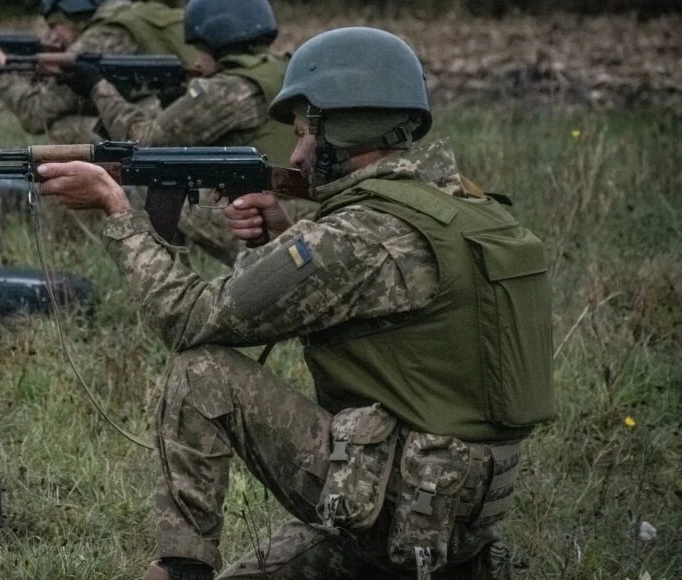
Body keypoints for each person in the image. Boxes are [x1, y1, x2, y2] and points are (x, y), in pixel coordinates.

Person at [35, 26, 554, 579]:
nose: (298, 152)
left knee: (203, 370)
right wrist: (281, 232)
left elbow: (188, 318)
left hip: (389, 510)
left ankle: (180, 569)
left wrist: (117, 211)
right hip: (450, 517)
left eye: (307, 133)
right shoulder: (467, 208)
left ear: (348, 128)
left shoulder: (361, 235)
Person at [60, 0, 316, 264]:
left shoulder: (227, 89)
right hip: (306, 210)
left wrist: (99, 88)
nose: (196, 60)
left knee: (165, 182)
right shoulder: (285, 70)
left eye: (201, 51)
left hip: (275, 217)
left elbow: (144, 142)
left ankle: (169, 288)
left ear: (215, 45)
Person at [0, 0, 200, 144]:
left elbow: (35, 114)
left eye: (53, 26)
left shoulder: (102, 36)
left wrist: (2, 69)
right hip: (186, 117)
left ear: (70, 13)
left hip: (164, 131)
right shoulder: (138, 17)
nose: (51, 38)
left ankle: (89, 213)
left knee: (64, 130)